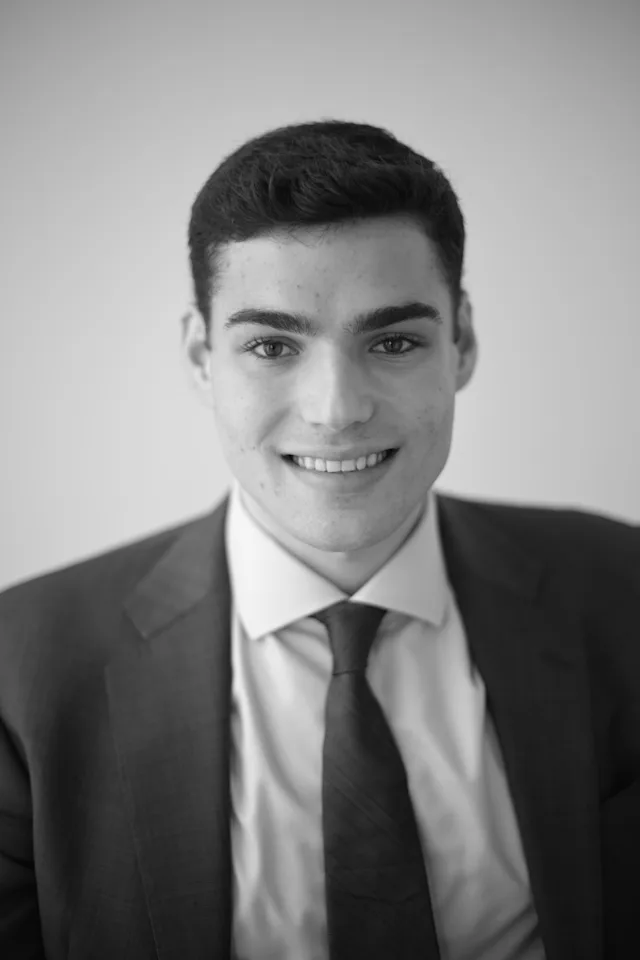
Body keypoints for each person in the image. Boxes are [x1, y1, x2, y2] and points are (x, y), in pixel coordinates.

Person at [0, 119, 638, 960]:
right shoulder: (20, 665)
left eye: (395, 342)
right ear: (200, 357)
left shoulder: (624, 590)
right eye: (272, 345)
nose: (336, 409)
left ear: (463, 343)